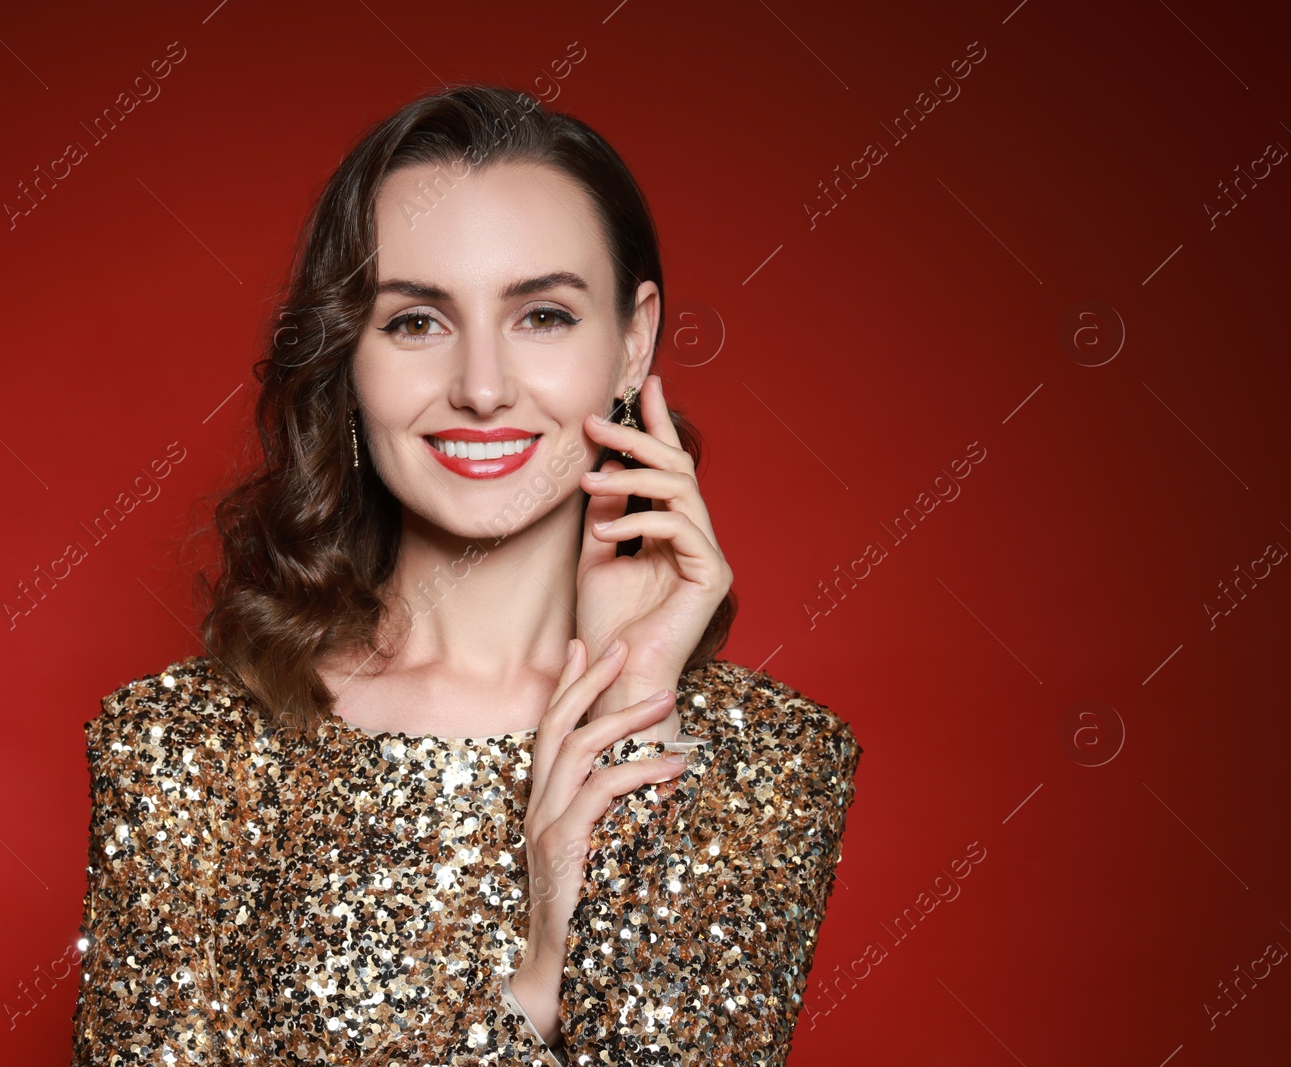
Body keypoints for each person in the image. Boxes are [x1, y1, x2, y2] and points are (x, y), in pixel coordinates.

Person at [70, 83, 862, 1065]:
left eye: (541, 314)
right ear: (346, 360)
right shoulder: (183, 747)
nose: (481, 387)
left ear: (633, 339)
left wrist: (638, 697)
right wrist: (532, 987)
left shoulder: (762, 755)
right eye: (414, 322)